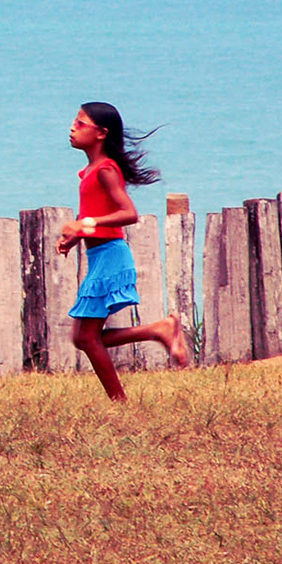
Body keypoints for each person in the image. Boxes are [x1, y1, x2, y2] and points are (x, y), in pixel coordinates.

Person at [59, 101, 192, 401]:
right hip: (100, 256)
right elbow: (96, 215)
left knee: (87, 338)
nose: (72, 128)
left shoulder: (105, 170)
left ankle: (119, 401)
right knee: (82, 338)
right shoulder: (90, 172)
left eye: (80, 124)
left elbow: (129, 214)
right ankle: (158, 330)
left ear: (101, 133)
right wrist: (77, 236)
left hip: (111, 257)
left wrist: (84, 224)